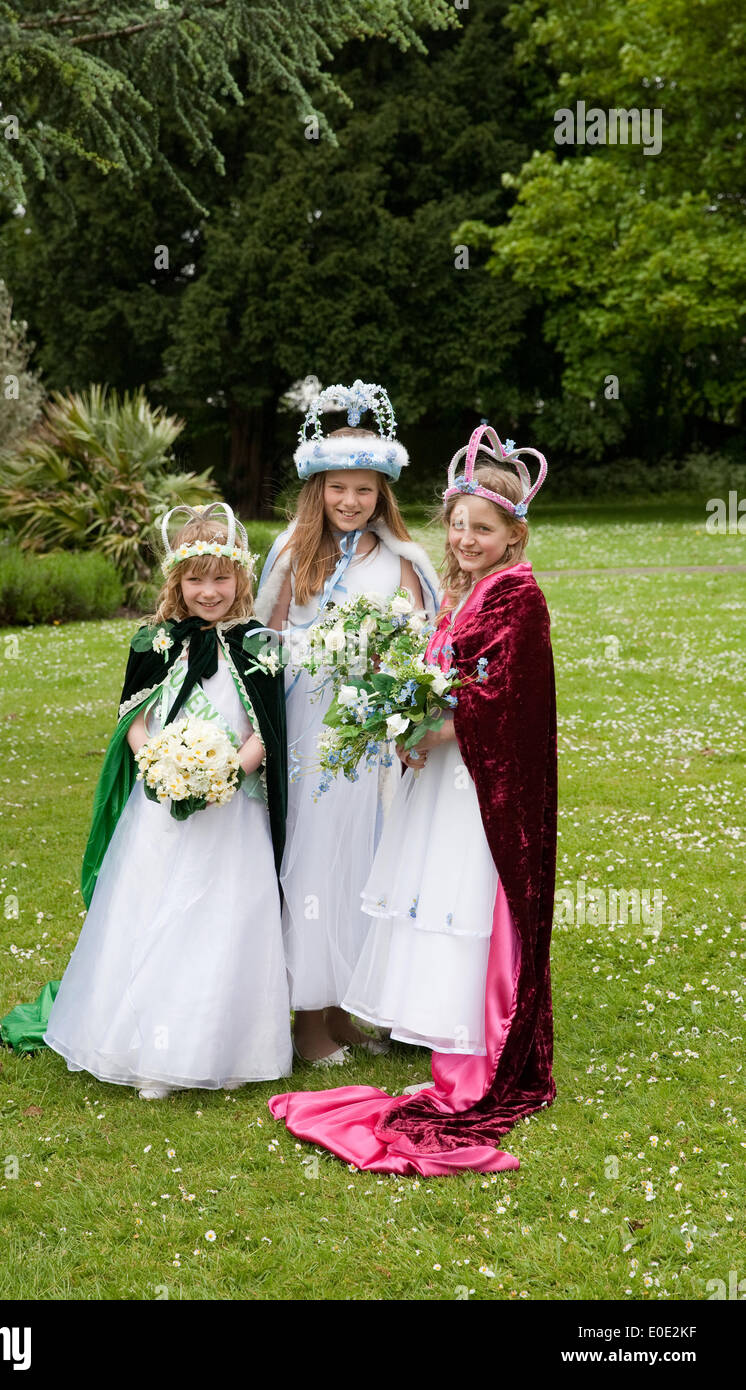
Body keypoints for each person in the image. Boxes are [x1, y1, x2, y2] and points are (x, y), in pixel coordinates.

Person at [269, 424, 558, 1172]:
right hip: (439, 776)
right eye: (458, 524)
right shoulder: (467, 591)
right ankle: (434, 1020)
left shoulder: (516, 596)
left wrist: (440, 724)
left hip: (474, 784)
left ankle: (477, 1032)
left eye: (483, 529)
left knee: (464, 897)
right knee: (435, 895)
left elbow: (503, 696)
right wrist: (409, 715)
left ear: (512, 536)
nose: (465, 538)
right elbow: (440, 670)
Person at [0, 504, 292, 1096]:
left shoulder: (261, 644)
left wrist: (229, 772)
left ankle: (221, 1048)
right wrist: (158, 761)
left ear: (241, 578)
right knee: (154, 908)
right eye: (195, 579)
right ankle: (144, 1045)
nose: (209, 592)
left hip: (234, 809)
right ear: (176, 581)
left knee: (224, 917)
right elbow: (134, 716)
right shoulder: (154, 641)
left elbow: (267, 729)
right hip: (161, 805)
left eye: (221, 578)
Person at [255, 380, 441, 1064]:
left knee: (364, 860)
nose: (350, 501)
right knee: (311, 859)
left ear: (382, 492)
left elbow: (423, 647)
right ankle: (306, 1017)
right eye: (338, 488)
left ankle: (344, 1005)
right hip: (308, 729)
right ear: (318, 488)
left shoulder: (402, 560)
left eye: (364, 490)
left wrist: (399, 702)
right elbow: (263, 642)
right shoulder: (290, 552)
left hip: (368, 733)